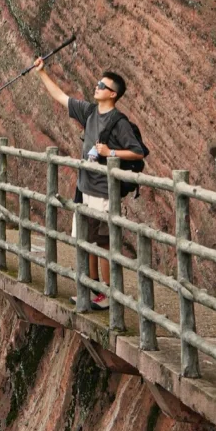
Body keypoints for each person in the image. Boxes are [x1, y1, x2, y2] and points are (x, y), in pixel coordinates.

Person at [32, 58, 148, 308]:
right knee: (86, 240)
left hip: (104, 190)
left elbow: (138, 152)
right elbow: (61, 97)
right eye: (97, 83)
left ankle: (105, 295)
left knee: (103, 242)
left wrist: (110, 153)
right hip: (84, 188)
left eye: (101, 86)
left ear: (113, 94)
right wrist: (42, 72)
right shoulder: (89, 113)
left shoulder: (119, 122)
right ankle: (90, 287)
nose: (96, 87)